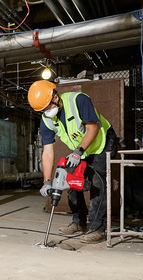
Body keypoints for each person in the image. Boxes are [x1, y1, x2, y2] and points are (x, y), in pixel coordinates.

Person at [27, 80, 118, 244]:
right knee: (67, 180)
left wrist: (78, 151)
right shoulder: (46, 120)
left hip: (102, 143)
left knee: (98, 182)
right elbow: (47, 152)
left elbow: (93, 129)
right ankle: (79, 222)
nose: (46, 111)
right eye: (42, 110)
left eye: (47, 106)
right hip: (80, 149)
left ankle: (97, 229)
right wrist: (46, 182)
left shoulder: (78, 100)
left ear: (55, 96)